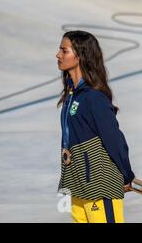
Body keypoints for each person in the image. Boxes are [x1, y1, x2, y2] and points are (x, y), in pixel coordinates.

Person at [56, 30, 135, 223]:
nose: (58, 55)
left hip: (100, 185)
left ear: (80, 56)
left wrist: (126, 175)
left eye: (64, 50)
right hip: (78, 183)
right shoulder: (72, 95)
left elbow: (114, 139)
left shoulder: (94, 97)